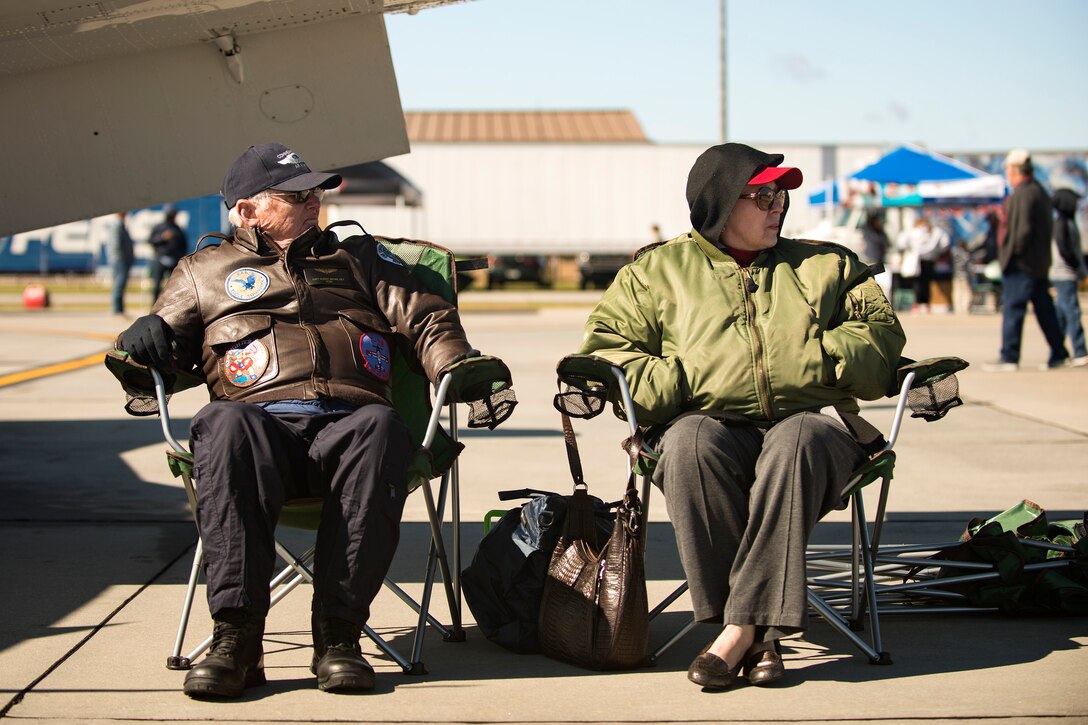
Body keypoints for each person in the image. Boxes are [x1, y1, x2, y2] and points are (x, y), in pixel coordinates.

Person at [116, 143, 514, 699]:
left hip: (349, 425)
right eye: (295, 195)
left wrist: (460, 367)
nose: (313, 204)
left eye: (316, 193)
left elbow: (426, 321)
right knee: (222, 423)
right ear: (247, 210)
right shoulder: (201, 271)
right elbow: (157, 353)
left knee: (381, 427)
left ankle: (338, 636)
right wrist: (139, 344)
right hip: (256, 428)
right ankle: (237, 639)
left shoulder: (360, 259)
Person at [578, 143, 905, 691]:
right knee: (688, 443)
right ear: (721, 204)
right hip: (704, 425)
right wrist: (694, 378)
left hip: (811, 423)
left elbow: (883, 342)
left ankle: (735, 630)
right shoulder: (655, 273)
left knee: (795, 441)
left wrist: (814, 359)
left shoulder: (829, 265)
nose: (779, 205)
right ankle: (763, 637)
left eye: (782, 194)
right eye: (764, 195)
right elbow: (609, 355)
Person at [984, 149, 1070, 371]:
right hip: (1038, 263)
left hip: (1022, 264)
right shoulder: (1039, 191)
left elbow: (1022, 231)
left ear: (1014, 171)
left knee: (1013, 309)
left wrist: (1010, 256)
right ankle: (1059, 353)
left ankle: (1009, 356)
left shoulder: (1024, 194)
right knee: (1044, 310)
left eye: (1007, 171)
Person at [1049, 188, 1088, 366]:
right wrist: (1077, 266)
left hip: (1064, 273)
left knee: (1062, 315)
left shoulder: (1067, 222)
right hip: (1064, 273)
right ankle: (1079, 351)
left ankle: (1058, 353)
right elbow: (1065, 250)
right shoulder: (1062, 223)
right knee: (1072, 311)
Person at [895, 216, 949, 314]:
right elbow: (945, 243)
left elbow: (901, 243)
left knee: (917, 283)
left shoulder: (911, 231)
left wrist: (909, 251)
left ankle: (917, 304)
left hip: (916, 260)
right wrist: (937, 252)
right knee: (926, 283)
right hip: (928, 260)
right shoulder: (934, 231)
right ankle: (925, 305)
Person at [147, 205, 189, 303]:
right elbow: (151, 241)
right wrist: (162, 237)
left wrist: (180, 258)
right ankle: (154, 306)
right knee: (157, 284)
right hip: (160, 259)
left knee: (173, 285)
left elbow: (183, 245)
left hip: (173, 260)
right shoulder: (159, 227)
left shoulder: (177, 229)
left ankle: (171, 305)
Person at [107, 212, 134, 316]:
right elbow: (115, 245)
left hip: (123, 259)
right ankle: (117, 309)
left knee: (121, 285)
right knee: (119, 284)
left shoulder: (122, 226)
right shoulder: (116, 226)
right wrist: (121, 258)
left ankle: (120, 308)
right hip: (119, 260)